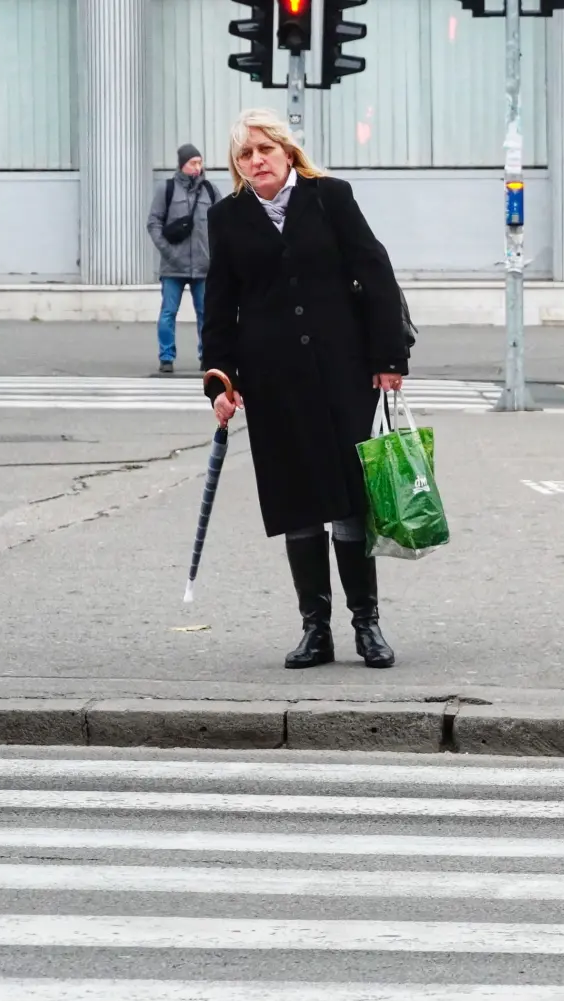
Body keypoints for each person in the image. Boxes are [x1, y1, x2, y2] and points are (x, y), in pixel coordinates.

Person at [201, 108, 409, 671]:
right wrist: (219, 380)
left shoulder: (330, 197)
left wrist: (390, 356)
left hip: (343, 373)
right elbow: (219, 305)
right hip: (274, 383)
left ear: (287, 152)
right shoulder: (227, 218)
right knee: (299, 505)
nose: (255, 161)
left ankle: (366, 624)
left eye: (264, 150)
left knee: (348, 502)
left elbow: (376, 270)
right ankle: (315, 631)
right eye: (245, 155)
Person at [148, 143, 219, 374]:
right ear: (182, 165)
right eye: (193, 163)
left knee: (206, 315)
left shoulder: (210, 190)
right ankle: (166, 357)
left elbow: (224, 224)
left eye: (200, 162)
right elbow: (154, 223)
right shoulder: (166, 189)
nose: (198, 167)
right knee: (168, 312)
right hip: (172, 267)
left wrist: (216, 255)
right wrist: (168, 252)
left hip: (203, 266)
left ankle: (206, 356)